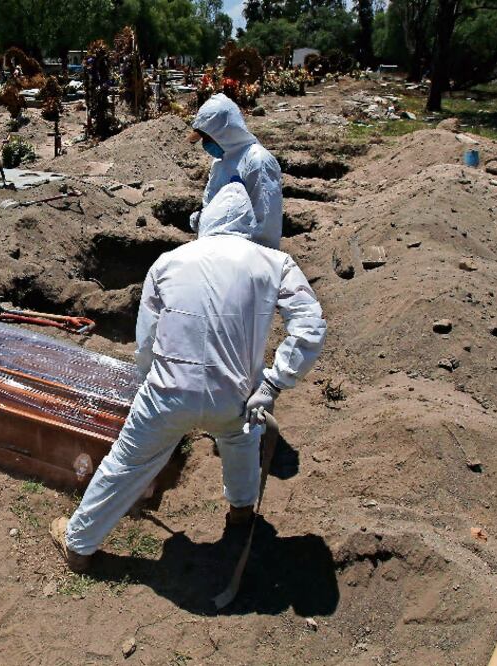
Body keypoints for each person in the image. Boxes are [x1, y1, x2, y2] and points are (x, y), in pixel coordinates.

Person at [50, 181, 326, 572]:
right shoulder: (274, 262)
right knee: (241, 440)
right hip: (236, 395)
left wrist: (146, 378)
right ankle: (241, 514)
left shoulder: (169, 261)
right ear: (247, 223)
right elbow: (310, 325)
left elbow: (146, 337)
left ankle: (79, 546)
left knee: (126, 463)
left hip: (167, 394)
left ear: (208, 217)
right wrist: (272, 384)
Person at [188, 93, 283, 249]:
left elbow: (266, 225)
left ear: (223, 133)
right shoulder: (220, 161)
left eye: (207, 138)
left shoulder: (257, 161)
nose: (205, 144)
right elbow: (214, 204)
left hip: (244, 255)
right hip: (215, 251)